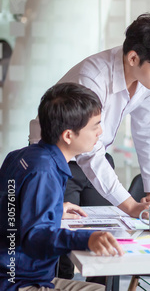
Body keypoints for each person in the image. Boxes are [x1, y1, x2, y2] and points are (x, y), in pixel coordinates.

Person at [29, 13, 150, 218]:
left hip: (97, 157)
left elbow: (149, 133)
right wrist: (130, 206)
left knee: (108, 225)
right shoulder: (92, 78)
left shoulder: (148, 82)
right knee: (65, 229)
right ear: (133, 58)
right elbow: (88, 151)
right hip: (59, 161)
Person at [0, 83, 124, 291]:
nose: (100, 132)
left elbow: (10, 209)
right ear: (68, 135)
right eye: (95, 126)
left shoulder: (22, 155)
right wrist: (88, 238)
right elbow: (35, 237)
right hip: (19, 281)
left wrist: (54, 208)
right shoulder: (44, 171)